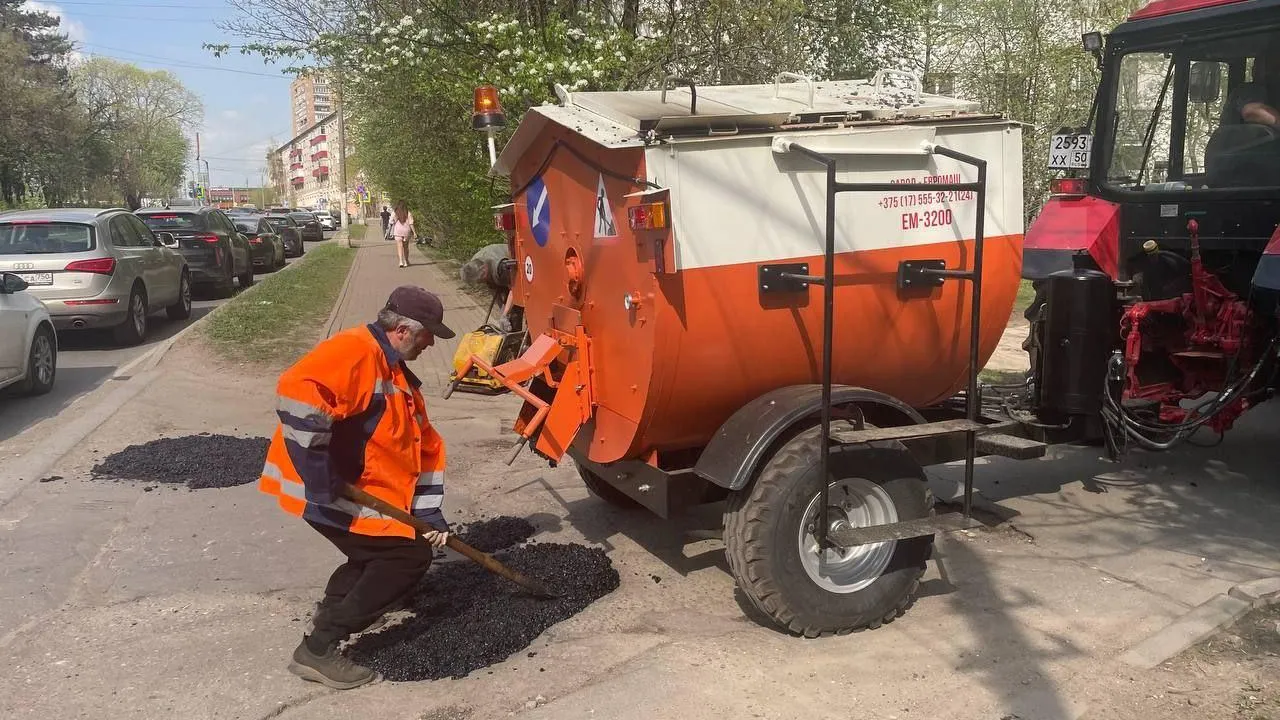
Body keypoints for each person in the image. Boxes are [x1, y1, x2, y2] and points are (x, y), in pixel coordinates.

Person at [258, 285, 457, 690]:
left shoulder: (394, 368)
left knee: (373, 551)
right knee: (406, 557)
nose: (432, 342)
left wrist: (428, 512)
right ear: (403, 330)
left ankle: (334, 608)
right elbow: (296, 395)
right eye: (428, 334)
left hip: (362, 487)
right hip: (326, 486)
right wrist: (321, 477)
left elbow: (424, 446)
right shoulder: (354, 352)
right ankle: (319, 647)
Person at [459, 243, 521, 331]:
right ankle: (508, 333)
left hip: (516, 271)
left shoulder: (501, 266)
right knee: (506, 313)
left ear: (484, 268)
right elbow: (492, 288)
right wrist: (502, 312)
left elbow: (515, 289)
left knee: (515, 312)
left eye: (481, 279)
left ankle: (519, 339)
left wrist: (505, 314)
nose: (481, 282)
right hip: (498, 275)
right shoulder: (473, 265)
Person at [389, 201, 415, 268]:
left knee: (399, 246)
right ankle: (406, 261)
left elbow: (391, 221)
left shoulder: (395, 212)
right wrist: (414, 232)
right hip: (406, 231)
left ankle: (401, 261)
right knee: (406, 247)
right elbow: (411, 223)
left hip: (398, 231)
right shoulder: (408, 213)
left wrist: (395, 221)